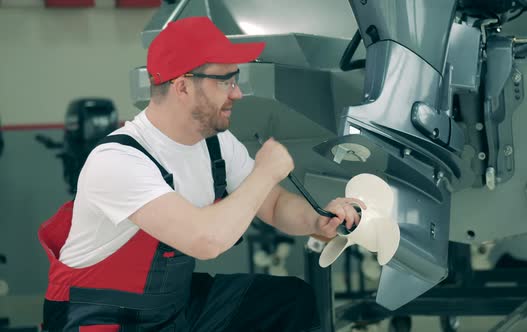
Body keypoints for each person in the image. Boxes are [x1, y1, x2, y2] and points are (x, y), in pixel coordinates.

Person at [38, 16, 365, 332]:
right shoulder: (118, 161)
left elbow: (274, 204)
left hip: (172, 310)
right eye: (225, 81)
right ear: (182, 87)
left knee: (289, 302)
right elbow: (205, 240)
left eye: (236, 79)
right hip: (100, 317)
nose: (237, 93)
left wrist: (317, 220)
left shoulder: (217, 144)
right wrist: (264, 172)